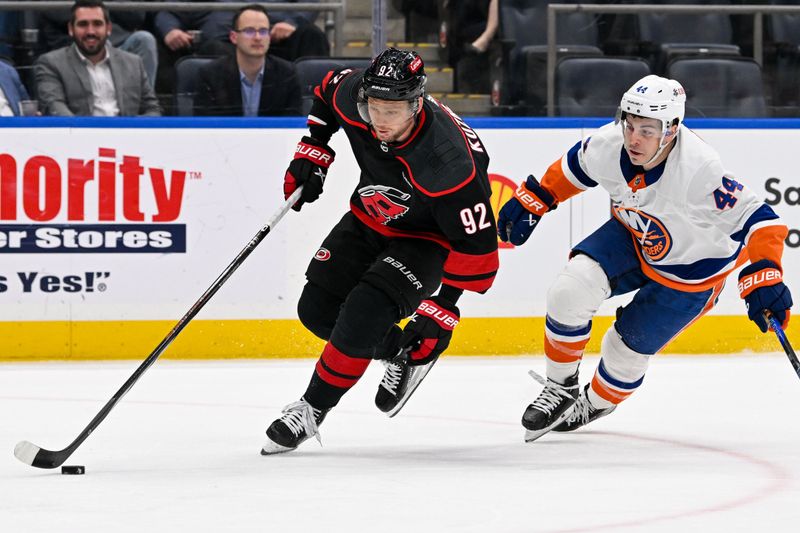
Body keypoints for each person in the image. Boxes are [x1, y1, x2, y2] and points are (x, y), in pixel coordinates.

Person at [497, 74, 793, 442]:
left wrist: (766, 272)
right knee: (569, 291)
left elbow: (762, 221)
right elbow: (576, 166)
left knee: (623, 351)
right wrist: (538, 197)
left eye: (648, 130)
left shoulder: (700, 170)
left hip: (691, 273)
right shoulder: (609, 142)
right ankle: (560, 388)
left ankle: (597, 402)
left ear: (671, 130)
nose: (634, 138)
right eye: (630, 124)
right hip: (633, 237)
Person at [261, 48, 499, 454]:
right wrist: (313, 148)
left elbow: (477, 248)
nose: (380, 121)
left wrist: (443, 309)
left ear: (416, 102)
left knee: (362, 313)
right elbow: (325, 91)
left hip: (428, 238)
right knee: (316, 311)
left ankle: (311, 409)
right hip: (371, 215)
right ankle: (399, 352)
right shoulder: (357, 96)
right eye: (374, 107)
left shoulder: (448, 163)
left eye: (392, 111)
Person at [34, 0, 160, 117]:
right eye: (83, 24)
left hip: (126, 137)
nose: (91, 31)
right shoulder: (51, 63)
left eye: (97, 24)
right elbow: (55, 108)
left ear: (108, 28)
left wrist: (132, 131)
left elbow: (153, 109)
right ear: (71, 29)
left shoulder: (133, 63)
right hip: (81, 137)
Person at [194, 4, 301, 116]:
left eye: (263, 31)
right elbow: (205, 127)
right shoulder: (210, 75)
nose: (258, 38)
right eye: (249, 31)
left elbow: (292, 126)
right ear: (234, 37)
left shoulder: (287, 74)